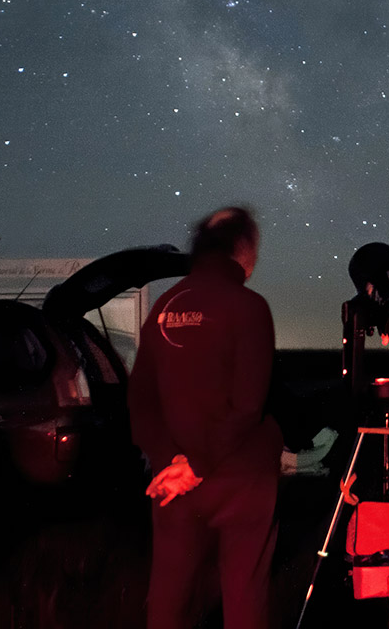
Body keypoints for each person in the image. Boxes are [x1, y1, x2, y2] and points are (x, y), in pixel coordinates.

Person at [128, 206, 283, 629]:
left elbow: (140, 398)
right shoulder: (249, 307)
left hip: (175, 483)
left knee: (169, 600)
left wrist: (167, 462)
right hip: (240, 479)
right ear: (242, 250)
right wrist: (196, 463)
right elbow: (248, 403)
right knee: (244, 596)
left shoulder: (164, 304)